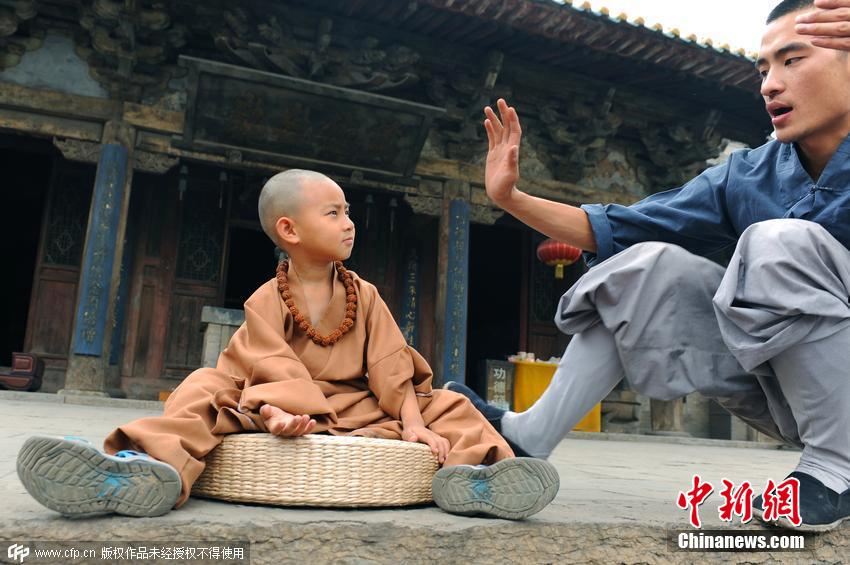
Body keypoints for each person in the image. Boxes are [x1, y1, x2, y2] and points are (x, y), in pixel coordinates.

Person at [446, 0, 850, 531]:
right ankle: (529, 435)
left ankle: (834, 471)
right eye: (764, 68)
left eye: (792, 61)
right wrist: (512, 198)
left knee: (779, 242)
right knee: (643, 270)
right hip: (803, 399)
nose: (770, 84)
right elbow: (622, 226)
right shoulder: (748, 175)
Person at [16, 170, 558, 520]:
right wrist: (275, 410)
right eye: (334, 213)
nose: (349, 224)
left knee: (451, 403)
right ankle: (137, 468)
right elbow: (266, 364)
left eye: (348, 212)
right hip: (267, 403)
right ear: (290, 231)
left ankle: (479, 479)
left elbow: (392, 364)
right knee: (201, 388)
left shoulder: (364, 294)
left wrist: (414, 420)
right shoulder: (266, 299)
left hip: (357, 406)